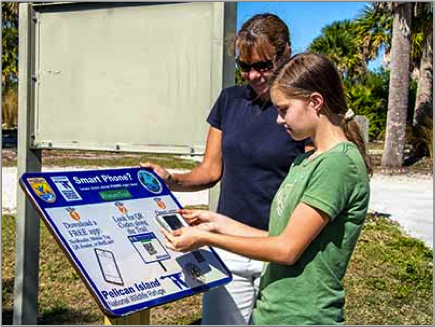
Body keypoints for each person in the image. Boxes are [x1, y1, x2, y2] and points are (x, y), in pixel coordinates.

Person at [160, 53, 372, 325]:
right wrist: (217, 223)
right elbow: (278, 236)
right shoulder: (304, 161)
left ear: (315, 102)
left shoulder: (338, 165)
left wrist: (206, 240)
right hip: (274, 313)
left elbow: (286, 250)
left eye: (284, 109)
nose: (279, 120)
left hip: (303, 317)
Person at [142, 14, 310, 325]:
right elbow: (209, 170)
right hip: (226, 243)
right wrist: (171, 179)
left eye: (263, 65)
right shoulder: (229, 100)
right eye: (244, 67)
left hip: (277, 245)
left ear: (285, 54)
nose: (253, 76)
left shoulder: (300, 111)